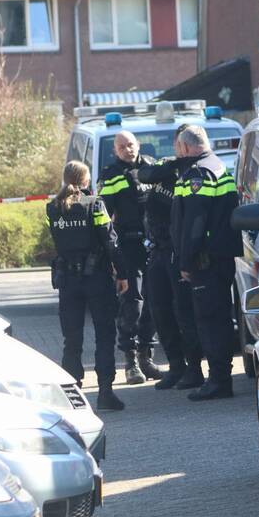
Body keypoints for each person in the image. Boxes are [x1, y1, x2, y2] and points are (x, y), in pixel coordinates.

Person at [47, 161, 129, 411]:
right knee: (105, 334)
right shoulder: (95, 204)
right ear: (85, 180)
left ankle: (73, 399)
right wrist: (122, 273)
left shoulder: (52, 207)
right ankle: (105, 393)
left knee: (71, 339)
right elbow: (110, 240)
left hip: (67, 280)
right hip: (96, 279)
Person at [170, 125, 242, 401]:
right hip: (219, 257)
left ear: (185, 147)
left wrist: (186, 261)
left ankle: (219, 381)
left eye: (178, 148)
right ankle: (220, 378)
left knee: (210, 321)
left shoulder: (198, 174)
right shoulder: (217, 165)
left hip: (205, 261)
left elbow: (195, 222)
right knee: (218, 318)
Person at [138, 124, 205, 391]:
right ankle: (176, 366)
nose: (178, 148)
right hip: (157, 251)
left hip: (177, 251)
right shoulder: (167, 168)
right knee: (159, 310)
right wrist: (172, 165)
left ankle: (194, 367)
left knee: (184, 312)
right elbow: (144, 173)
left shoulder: (194, 173)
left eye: (181, 145)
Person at [99, 131, 165, 385]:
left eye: (130, 144)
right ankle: (131, 361)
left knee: (154, 301)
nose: (128, 149)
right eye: (122, 147)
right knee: (132, 304)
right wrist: (110, 256)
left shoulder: (152, 167)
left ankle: (146, 356)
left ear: (138, 144)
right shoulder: (111, 175)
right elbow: (104, 217)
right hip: (128, 245)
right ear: (115, 151)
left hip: (155, 244)